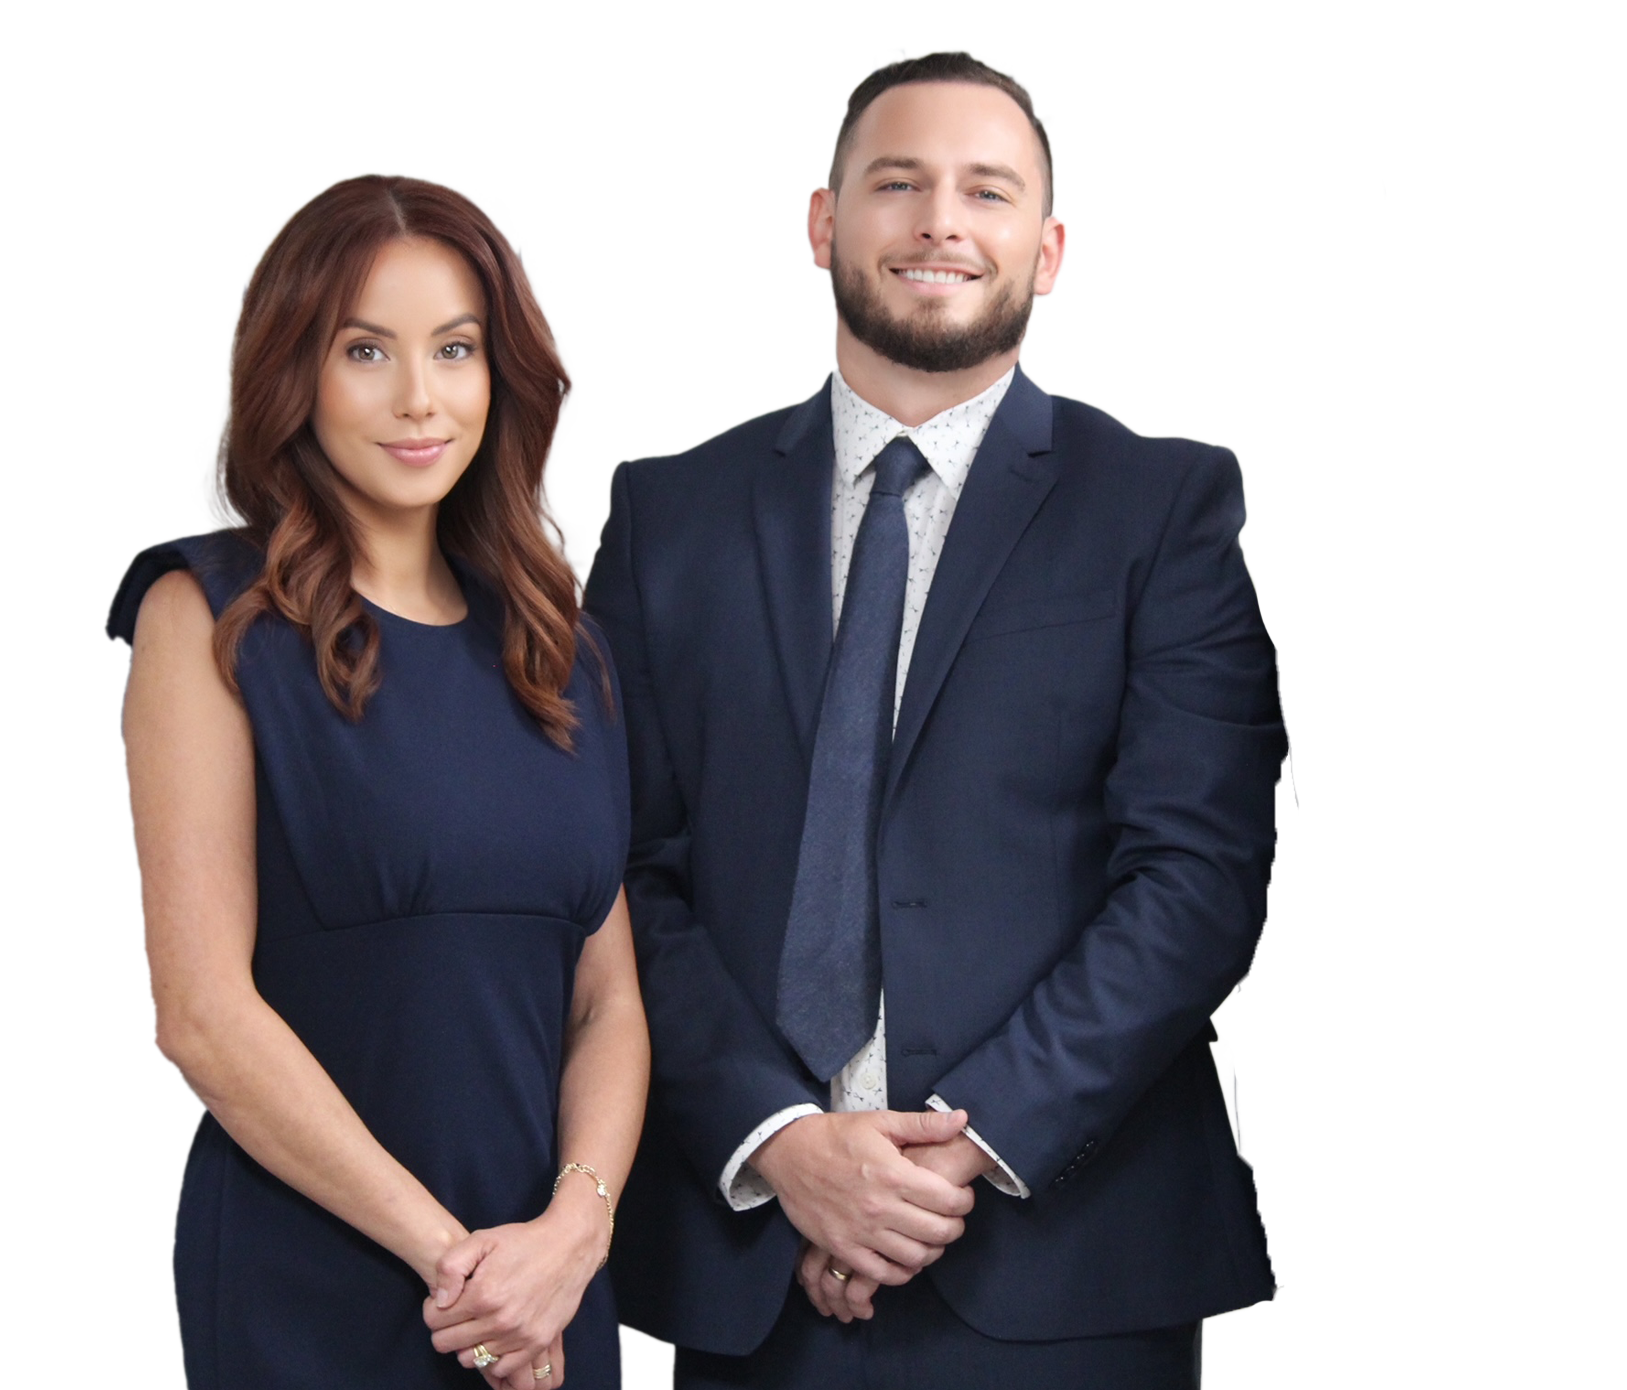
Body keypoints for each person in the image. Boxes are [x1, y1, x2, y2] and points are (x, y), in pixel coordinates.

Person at [584, 51, 1287, 1389]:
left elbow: (1198, 877)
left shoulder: (1160, 509)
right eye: (896, 183)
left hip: (1066, 1265)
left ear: (1049, 243)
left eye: (987, 190)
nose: (939, 223)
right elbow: (624, 874)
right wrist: (783, 1142)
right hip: (759, 1267)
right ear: (823, 220)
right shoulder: (671, 518)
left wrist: (953, 1156)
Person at [102, 174, 648, 1390]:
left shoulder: (564, 644)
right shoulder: (205, 617)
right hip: (326, 1284)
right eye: (366, 350)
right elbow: (200, 1013)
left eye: (455, 349)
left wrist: (574, 1234)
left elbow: (607, 999)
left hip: (548, 1284)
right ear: (294, 372)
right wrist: (464, 1271)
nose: (420, 397)